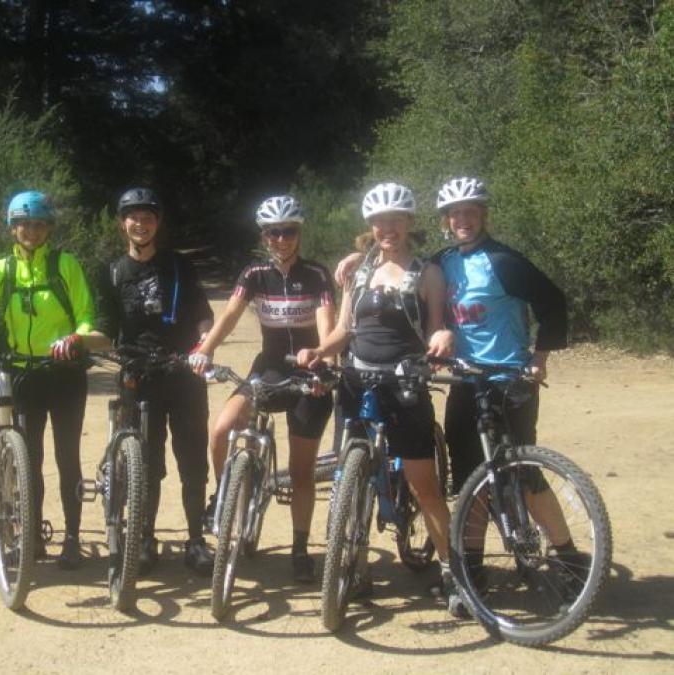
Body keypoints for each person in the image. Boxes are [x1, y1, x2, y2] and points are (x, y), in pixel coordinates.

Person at [335, 177, 580, 596]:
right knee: (468, 480)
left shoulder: (504, 261)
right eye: (454, 213)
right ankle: (472, 569)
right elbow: (397, 260)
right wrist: (359, 256)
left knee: (523, 474)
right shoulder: (443, 262)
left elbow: (553, 302)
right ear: (445, 220)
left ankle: (569, 559)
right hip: (464, 381)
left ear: (483, 215)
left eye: (470, 212)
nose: (462, 219)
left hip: (508, 379)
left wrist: (539, 358)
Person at [295, 182, 458, 609]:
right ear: (371, 226)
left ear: (409, 223)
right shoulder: (359, 271)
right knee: (350, 479)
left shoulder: (427, 272)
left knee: (424, 488)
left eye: (396, 220)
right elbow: (344, 329)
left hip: (404, 386)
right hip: (356, 380)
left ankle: (451, 572)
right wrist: (319, 351)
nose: (389, 228)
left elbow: (436, 326)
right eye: (380, 221)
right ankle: (356, 565)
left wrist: (441, 337)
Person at [0, 190, 108, 570]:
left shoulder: (64, 264)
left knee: (67, 457)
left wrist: (76, 339)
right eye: (23, 224)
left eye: (38, 224)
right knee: (30, 459)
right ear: (12, 229)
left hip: (64, 373)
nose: (31, 231)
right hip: (24, 373)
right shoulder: (2, 271)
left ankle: (72, 538)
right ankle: (33, 536)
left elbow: (86, 315)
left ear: (49, 228)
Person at [190, 195, 336, 583]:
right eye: (274, 232)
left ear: (299, 234)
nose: (281, 239)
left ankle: (300, 548)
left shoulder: (317, 274)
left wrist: (325, 361)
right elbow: (230, 314)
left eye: (288, 231)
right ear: (264, 236)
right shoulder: (254, 273)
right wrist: (205, 350)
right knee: (222, 430)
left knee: (301, 472)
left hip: (308, 375)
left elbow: (327, 323)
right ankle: (224, 497)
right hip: (268, 369)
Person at [94, 187, 215, 575]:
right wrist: (80, 343)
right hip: (137, 377)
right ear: (122, 224)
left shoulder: (180, 266)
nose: (140, 223)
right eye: (133, 217)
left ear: (158, 223)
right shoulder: (112, 272)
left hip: (182, 373)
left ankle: (196, 541)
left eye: (148, 217)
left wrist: (204, 346)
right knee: (145, 464)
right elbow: (104, 326)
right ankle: (145, 539)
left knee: (192, 460)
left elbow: (203, 314)